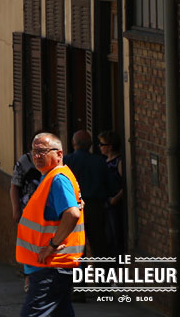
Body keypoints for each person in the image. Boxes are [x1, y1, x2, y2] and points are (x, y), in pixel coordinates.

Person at [16, 132, 85, 317]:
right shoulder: (51, 177)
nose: (36, 156)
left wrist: (52, 245)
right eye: (34, 151)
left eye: (42, 151)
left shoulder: (58, 179)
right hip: (51, 265)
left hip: (52, 266)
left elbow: (72, 213)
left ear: (59, 154)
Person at [64, 130, 109, 257]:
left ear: (74, 144)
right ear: (90, 144)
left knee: (77, 246)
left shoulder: (67, 162)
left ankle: (79, 275)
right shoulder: (99, 162)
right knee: (98, 243)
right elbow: (108, 185)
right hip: (95, 206)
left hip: (74, 207)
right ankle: (103, 274)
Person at [98, 130, 126, 257]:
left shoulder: (119, 162)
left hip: (115, 205)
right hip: (106, 203)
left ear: (109, 147)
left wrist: (116, 198)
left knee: (115, 235)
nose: (99, 147)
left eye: (102, 144)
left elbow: (125, 185)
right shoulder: (104, 162)